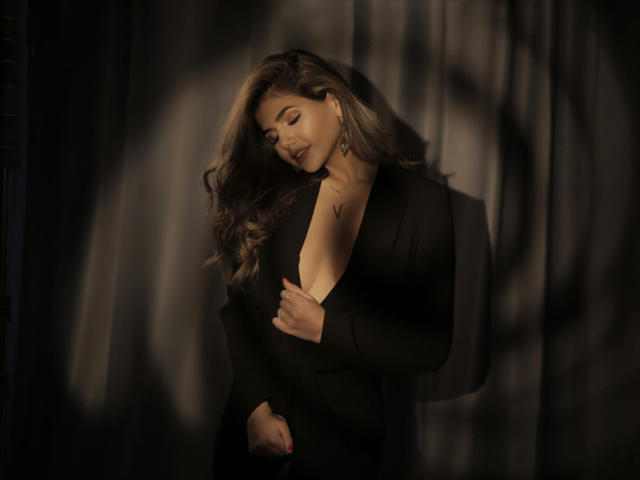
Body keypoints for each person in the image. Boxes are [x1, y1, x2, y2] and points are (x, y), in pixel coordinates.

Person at [202, 49, 455, 479]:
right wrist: (256, 409)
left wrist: (325, 328)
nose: (285, 142)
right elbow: (240, 313)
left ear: (334, 103)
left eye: (291, 118)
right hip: (250, 441)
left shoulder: (421, 206)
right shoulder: (280, 199)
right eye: (271, 136)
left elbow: (431, 347)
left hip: (341, 447)